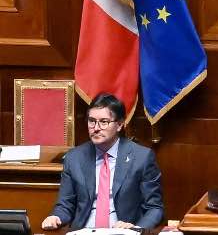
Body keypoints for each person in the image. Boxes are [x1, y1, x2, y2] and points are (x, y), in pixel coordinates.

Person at [41, 93, 164, 230]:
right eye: (92, 121)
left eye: (104, 122)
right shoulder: (74, 158)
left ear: (119, 125)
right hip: (84, 231)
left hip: (121, 232)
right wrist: (56, 217)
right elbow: (65, 205)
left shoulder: (142, 157)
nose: (96, 128)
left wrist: (136, 229)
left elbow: (154, 208)